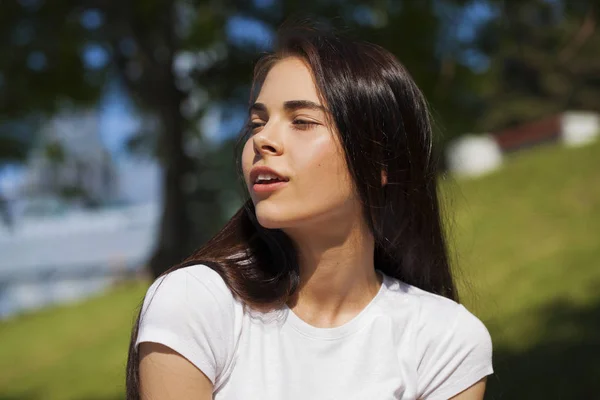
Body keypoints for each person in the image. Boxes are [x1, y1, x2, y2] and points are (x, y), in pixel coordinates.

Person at [126, 22, 494, 400]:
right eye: (257, 122)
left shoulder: (444, 338)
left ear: (382, 160)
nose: (263, 139)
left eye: (302, 121)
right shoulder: (195, 302)